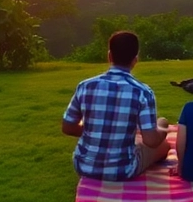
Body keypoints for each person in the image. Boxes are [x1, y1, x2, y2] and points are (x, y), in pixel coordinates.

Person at [61, 30, 171, 180]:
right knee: (164, 141)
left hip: (83, 165)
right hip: (123, 169)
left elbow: (68, 127)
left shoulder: (85, 86)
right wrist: (164, 129)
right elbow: (151, 141)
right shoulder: (142, 92)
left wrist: (98, 132)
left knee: (144, 134)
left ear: (109, 56)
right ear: (135, 60)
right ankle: (162, 125)